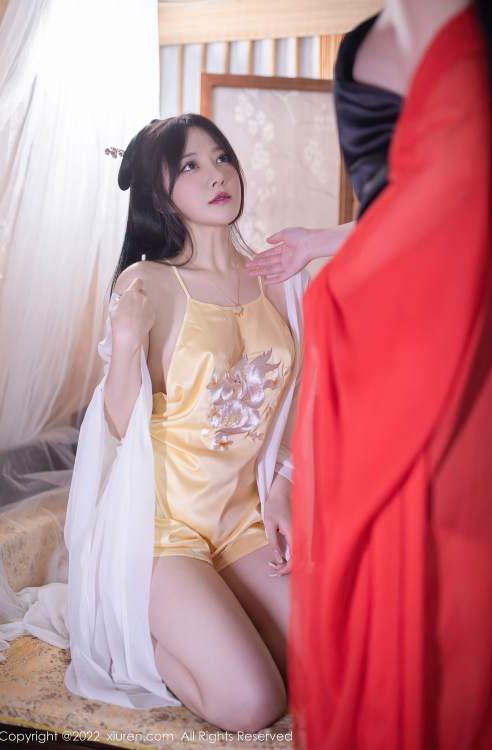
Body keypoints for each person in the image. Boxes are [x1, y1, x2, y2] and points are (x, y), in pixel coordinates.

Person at [0, 114, 309, 730]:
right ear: (160, 192)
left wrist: (284, 488)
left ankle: (216, 621)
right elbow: (114, 426)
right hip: (161, 531)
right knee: (254, 703)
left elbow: (303, 397)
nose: (216, 175)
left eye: (221, 157)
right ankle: (141, 642)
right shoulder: (149, 282)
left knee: (328, 664)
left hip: (242, 521)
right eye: (190, 165)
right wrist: (125, 342)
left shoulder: (277, 276)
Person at [246, 1, 492, 748]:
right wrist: (320, 244)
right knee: (388, 587)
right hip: (380, 349)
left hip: (463, 333)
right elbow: (408, 198)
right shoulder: (358, 43)